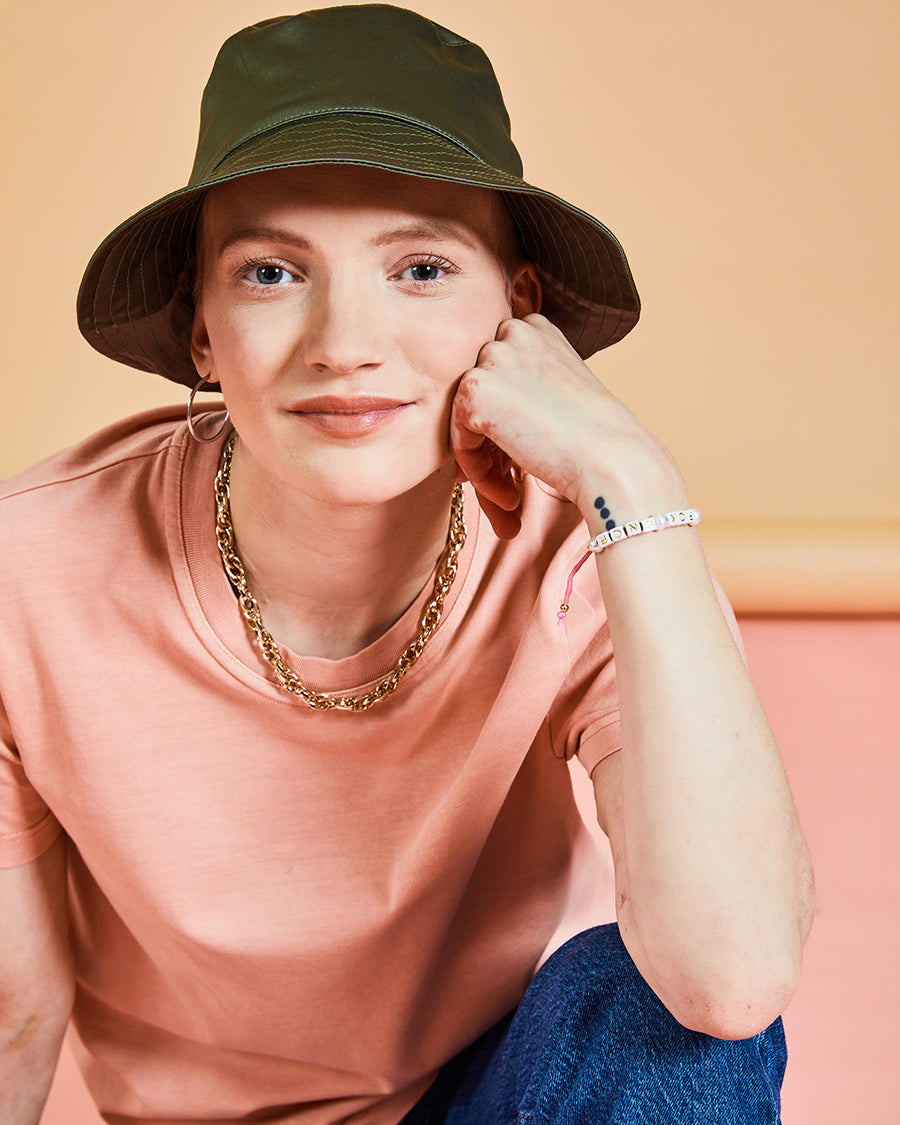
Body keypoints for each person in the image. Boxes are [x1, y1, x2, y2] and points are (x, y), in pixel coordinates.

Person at [0, 6, 814, 1124]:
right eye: (271, 271)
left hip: (495, 1096)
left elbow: (732, 978)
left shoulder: (594, 547)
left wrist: (634, 478)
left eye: (421, 268)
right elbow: (14, 1014)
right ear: (201, 329)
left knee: (657, 1016)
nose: (345, 342)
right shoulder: (28, 573)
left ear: (519, 313)